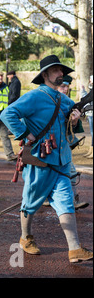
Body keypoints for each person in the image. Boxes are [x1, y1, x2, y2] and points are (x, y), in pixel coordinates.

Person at [0, 54, 93, 263]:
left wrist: (76, 118)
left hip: (60, 162)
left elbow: (71, 124)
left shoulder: (63, 98)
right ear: (45, 74)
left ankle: (75, 248)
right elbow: (8, 114)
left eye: (62, 71)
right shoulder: (34, 96)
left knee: (66, 203)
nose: (61, 74)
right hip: (39, 162)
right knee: (30, 204)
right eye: (57, 70)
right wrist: (25, 134)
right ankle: (25, 238)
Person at [53, 75, 89, 210]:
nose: (66, 89)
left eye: (67, 86)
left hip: (62, 147)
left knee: (71, 173)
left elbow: (70, 128)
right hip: (47, 147)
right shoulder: (49, 101)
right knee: (42, 179)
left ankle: (73, 201)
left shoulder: (67, 102)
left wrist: (74, 121)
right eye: (63, 86)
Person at [80, 75, 93, 159]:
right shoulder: (91, 89)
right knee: (92, 133)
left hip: (92, 113)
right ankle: (91, 150)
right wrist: (83, 90)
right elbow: (86, 99)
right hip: (90, 114)